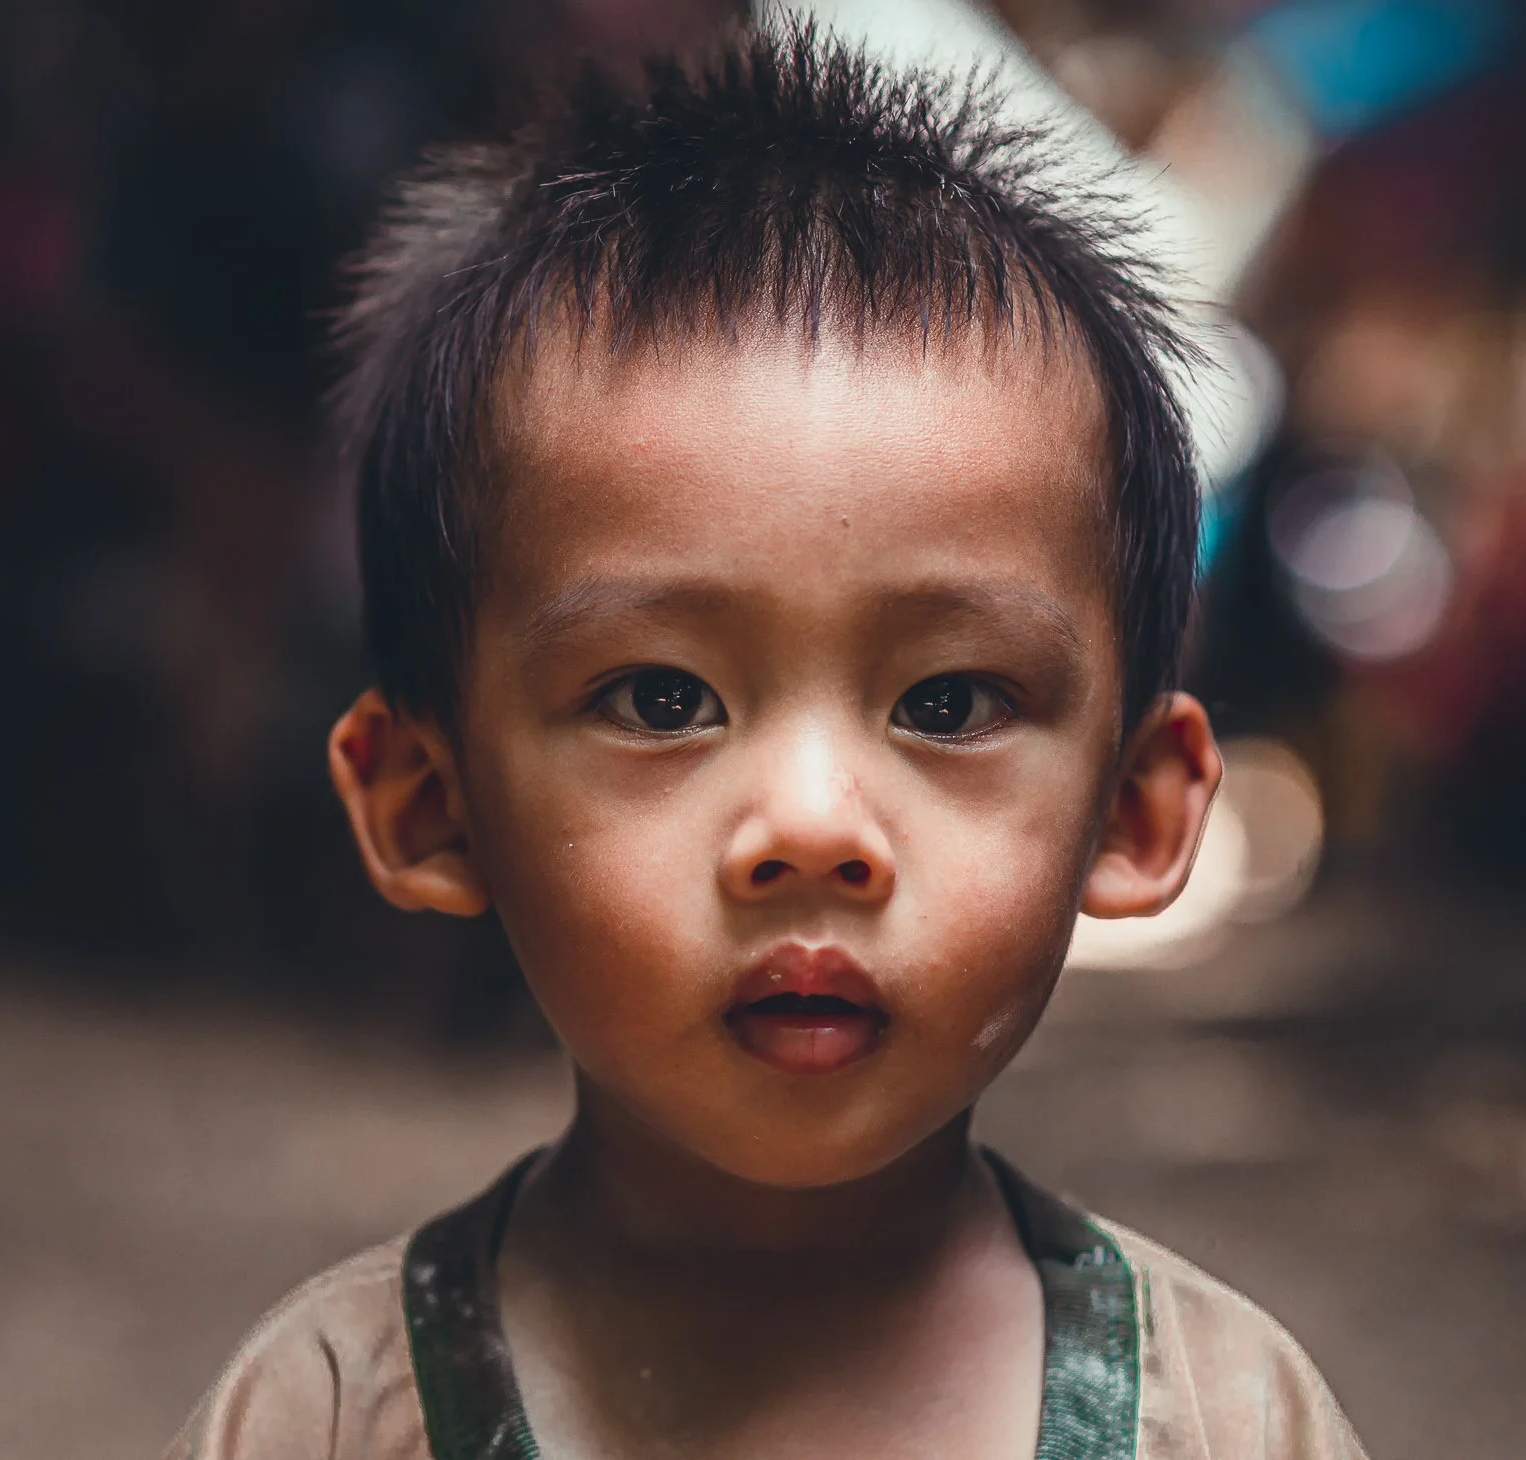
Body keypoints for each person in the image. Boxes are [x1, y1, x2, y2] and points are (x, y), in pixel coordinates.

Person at [165, 22, 1366, 1460]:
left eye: (948, 704)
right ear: (434, 806)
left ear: (1136, 811)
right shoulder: (331, 1414)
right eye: (663, 701)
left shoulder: (1227, 1424)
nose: (811, 827)